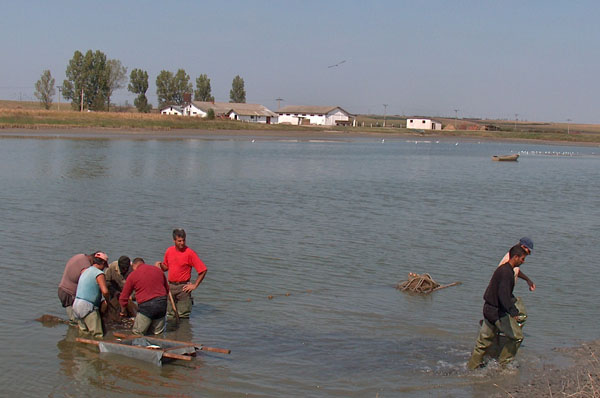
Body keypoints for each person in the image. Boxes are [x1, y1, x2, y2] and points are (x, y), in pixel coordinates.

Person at [467, 245, 528, 369]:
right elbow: (503, 295)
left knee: (482, 343)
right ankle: (504, 364)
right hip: (496, 312)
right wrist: (513, 311)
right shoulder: (506, 273)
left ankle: (470, 368)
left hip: (488, 309)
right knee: (517, 337)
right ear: (515, 257)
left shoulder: (503, 270)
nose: (523, 261)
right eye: (522, 259)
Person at [156, 228, 207, 319]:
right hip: (171, 287)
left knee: (183, 316)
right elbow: (166, 267)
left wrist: (195, 285)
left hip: (183, 288)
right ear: (174, 240)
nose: (182, 243)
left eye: (183, 240)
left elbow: (203, 270)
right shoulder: (169, 251)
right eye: (179, 241)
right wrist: (160, 265)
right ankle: (172, 333)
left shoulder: (190, 253)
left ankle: (183, 332)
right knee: (170, 315)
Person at [119, 258, 169, 335]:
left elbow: (123, 297)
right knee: (158, 334)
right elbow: (167, 289)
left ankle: (138, 346)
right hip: (161, 303)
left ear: (133, 266)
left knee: (137, 333)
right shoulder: (158, 271)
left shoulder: (133, 275)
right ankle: (159, 345)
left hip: (147, 306)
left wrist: (123, 311)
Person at [72, 252, 110, 338]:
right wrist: (108, 301)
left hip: (76, 304)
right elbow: (105, 291)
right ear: (103, 263)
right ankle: (95, 351)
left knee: (83, 333)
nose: (104, 268)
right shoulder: (99, 274)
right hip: (87, 306)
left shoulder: (85, 271)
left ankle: (81, 350)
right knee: (97, 335)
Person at [58, 253, 95, 323]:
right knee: (75, 321)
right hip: (69, 293)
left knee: (75, 318)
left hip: (62, 289)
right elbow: (87, 280)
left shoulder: (80, 256)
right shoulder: (86, 265)